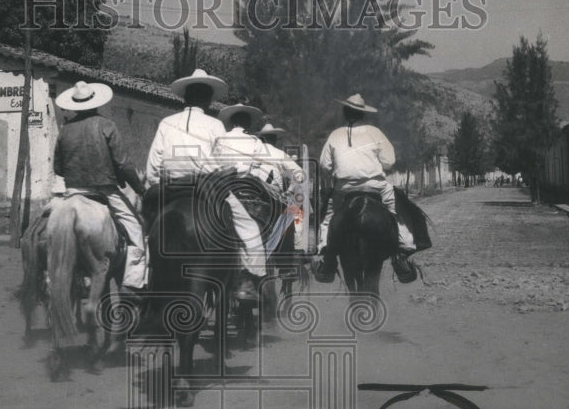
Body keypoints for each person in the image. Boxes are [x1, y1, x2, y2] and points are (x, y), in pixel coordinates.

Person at [144, 70, 267, 300]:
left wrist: (158, 185)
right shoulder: (214, 125)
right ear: (208, 100)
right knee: (249, 229)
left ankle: (140, 278)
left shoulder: (165, 123)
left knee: (143, 231)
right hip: (207, 187)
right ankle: (248, 281)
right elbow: (223, 164)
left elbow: (152, 167)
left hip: (170, 188)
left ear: (185, 97)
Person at [53, 81, 148, 295]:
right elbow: (123, 163)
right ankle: (133, 282)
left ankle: (54, 278)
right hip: (105, 190)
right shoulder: (107, 125)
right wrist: (139, 188)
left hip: (73, 192)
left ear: (75, 104)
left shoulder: (65, 130)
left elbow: (58, 168)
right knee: (136, 230)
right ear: (96, 103)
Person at [313, 93, 416, 283]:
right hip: (375, 187)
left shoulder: (335, 135)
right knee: (396, 213)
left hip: (344, 189)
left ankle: (326, 257)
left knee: (328, 217)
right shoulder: (375, 132)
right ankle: (402, 253)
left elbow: (324, 165)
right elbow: (389, 161)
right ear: (363, 114)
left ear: (345, 112)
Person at [257, 122, 305, 252]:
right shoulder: (279, 154)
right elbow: (299, 174)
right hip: (272, 193)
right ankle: (286, 264)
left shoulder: (253, 151)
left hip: (251, 189)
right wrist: (289, 191)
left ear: (262, 138)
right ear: (274, 139)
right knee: (287, 224)